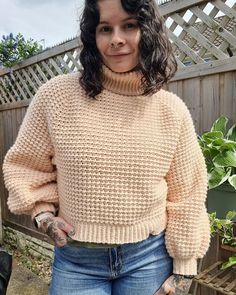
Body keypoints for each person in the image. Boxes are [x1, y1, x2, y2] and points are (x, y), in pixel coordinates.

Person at [2, 0, 211, 294]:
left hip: (148, 259)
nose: (116, 38)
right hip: (77, 260)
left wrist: (185, 270)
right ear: (92, 36)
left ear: (147, 31)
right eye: (104, 28)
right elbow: (25, 166)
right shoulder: (57, 96)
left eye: (129, 25)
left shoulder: (170, 111)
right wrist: (43, 215)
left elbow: (187, 193)